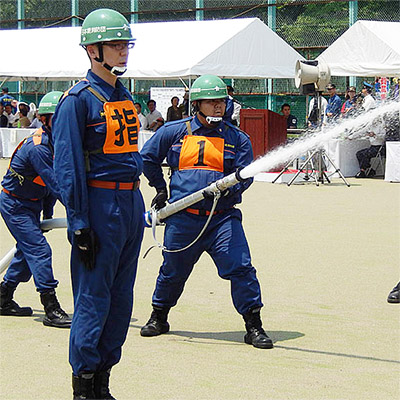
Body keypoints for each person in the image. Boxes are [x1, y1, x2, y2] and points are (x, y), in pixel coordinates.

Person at [140, 74, 273, 350]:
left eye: (221, 102)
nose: (218, 107)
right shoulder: (175, 131)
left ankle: (254, 326)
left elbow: (245, 176)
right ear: (197, 104)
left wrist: (230, 191)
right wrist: (160, 189)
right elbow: (148, 158)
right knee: (171, 271)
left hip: (222, 219)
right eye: (211, 102)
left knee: (241, 267)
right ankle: (159, 317)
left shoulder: (238, 138)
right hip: (182, 219)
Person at [52, 9, 145, 399]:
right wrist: (78, 221)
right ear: (93, 50)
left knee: (122, 299)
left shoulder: (124, 95)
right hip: (100, 204)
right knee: (93, 297)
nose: (123, 52)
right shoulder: (77, 101)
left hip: (130, 202)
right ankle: (84, 383)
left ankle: (104, 379)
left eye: (126, 45)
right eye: (115, 45)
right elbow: (67, 166)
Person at [0, 91, 72, 329]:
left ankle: (3, 297)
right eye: (58, 117)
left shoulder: (57, 141)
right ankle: (51, 308)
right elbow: (56, 184)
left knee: (26, 251)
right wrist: (77, 210)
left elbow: (49, 189)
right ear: (44, 119)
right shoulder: (39, 147)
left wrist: (48, 215)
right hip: (15, 205)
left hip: (32, 203)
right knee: (39, 250)